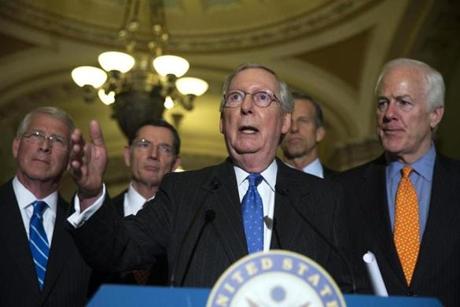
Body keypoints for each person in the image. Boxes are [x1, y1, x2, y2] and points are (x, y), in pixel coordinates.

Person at [67, 64, 352, 290]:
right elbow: (120, 250)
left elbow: (346, 286)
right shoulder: (182, 192)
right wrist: (91, 195)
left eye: (262, 97)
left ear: (285, 122)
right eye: (235, 97)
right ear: (222, 122)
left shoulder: (325, 198)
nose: (247, 107)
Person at [338, 58, 460, 306]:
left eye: (403, 103)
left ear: (435, 115)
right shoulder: (343, 190)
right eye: (383, 103)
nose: (389, 115)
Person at [0, 106, 92, 306]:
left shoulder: (83, 230)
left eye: (57, 140)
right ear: (16, 146)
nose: (44, 146)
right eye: (36, 135)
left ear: (70, 160)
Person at [109, 119, 181, 285]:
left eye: (165, 148)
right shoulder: (103, 216)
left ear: (175, 164)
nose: (153, 155)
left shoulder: (188, 222)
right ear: (128, 155)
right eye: (144, 144)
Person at [281, 92, 336, 178]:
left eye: (303, 121)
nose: (294, 128)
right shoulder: (262, 184)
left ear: (319, 133)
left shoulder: (343, 186)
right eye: (288, 122)